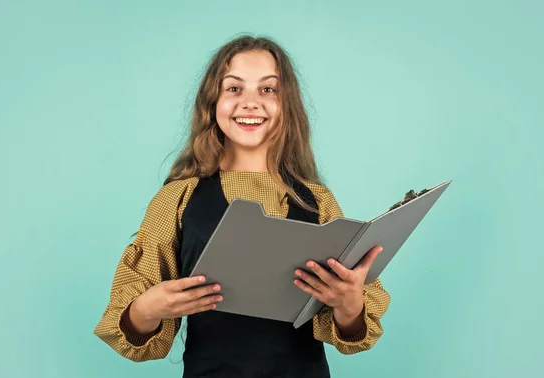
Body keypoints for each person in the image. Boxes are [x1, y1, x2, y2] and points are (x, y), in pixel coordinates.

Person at [93, 34, 391, 378]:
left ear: (287, 104)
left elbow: (351, 328)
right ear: (212, 102)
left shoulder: (317, 201)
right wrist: (148, 307)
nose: (250, 103)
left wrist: (349, 304)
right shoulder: (178, 198)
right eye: (234, 88)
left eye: (268, 89)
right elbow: (126, 324)